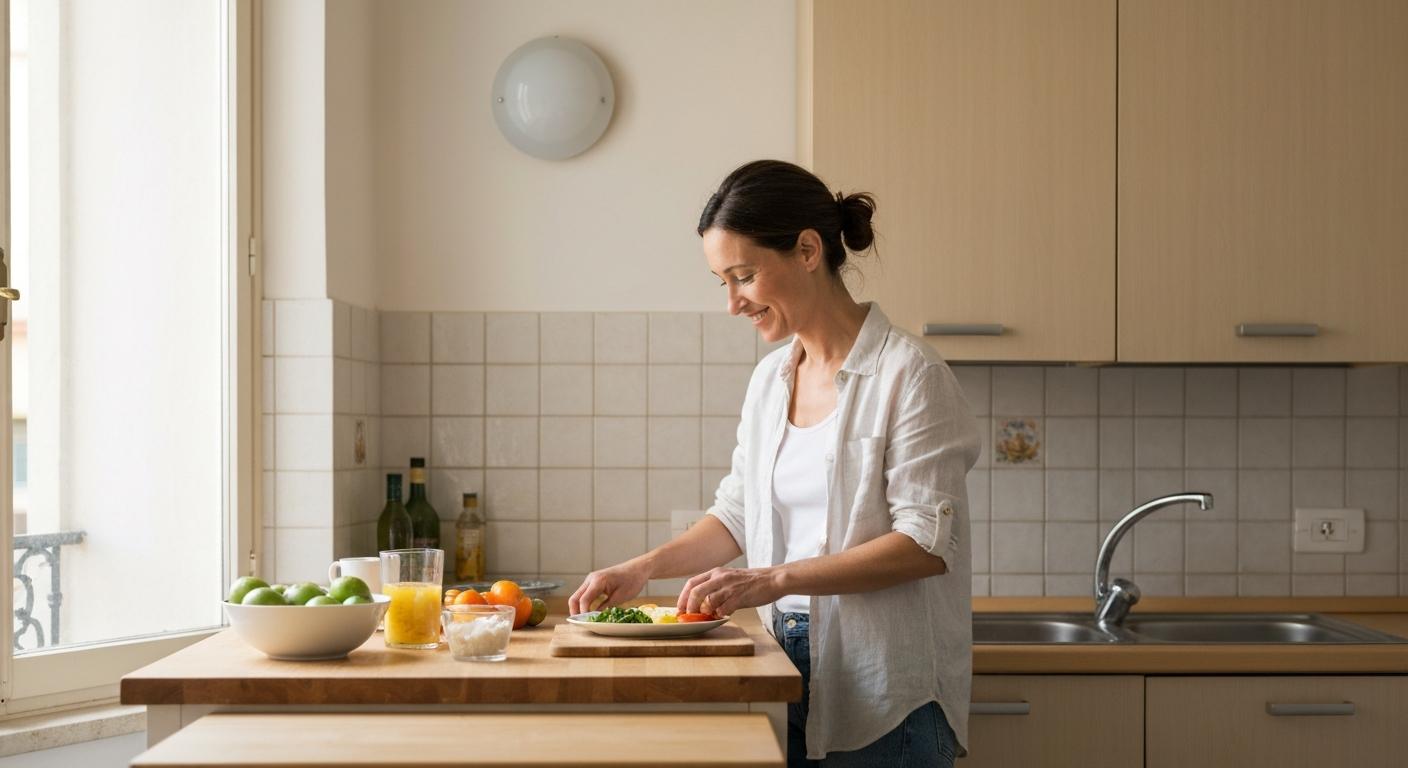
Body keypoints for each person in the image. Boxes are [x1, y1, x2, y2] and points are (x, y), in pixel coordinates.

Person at [569, 159, 980, 766]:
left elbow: (923, 545)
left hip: (886, 689)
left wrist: (767, 580)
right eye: (722, 282)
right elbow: (737, 515)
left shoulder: (910, 374)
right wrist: (641, 569)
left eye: (744, 276)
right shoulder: (770, 381)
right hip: (780, 662)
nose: (733, 303)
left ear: (808, 250)